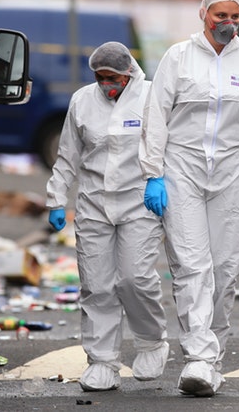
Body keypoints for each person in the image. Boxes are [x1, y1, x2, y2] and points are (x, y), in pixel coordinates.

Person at [139, 0, 239, 397]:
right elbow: (156, 117)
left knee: (225, 269)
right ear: (203, 14)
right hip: (182, 169)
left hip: (234, 174)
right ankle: (198, 357)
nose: (228, 23)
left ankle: (213, 359)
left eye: (235, 16)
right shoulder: (178, 58)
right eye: (221, 15)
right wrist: (153, 173)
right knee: (191, 266)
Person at [45, 42, 169, 392]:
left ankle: (151, 342)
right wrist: (56, 199)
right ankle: (102, 361)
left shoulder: (151, 97)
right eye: (99, 77)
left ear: (128, 72)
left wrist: (162, 182)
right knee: (96, 285)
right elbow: (68, 155)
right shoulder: (82, 101)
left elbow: (168, 146)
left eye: (112, 77)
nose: (105, 84)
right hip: (94, 203)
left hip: (139, 200)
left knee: (135, 278)